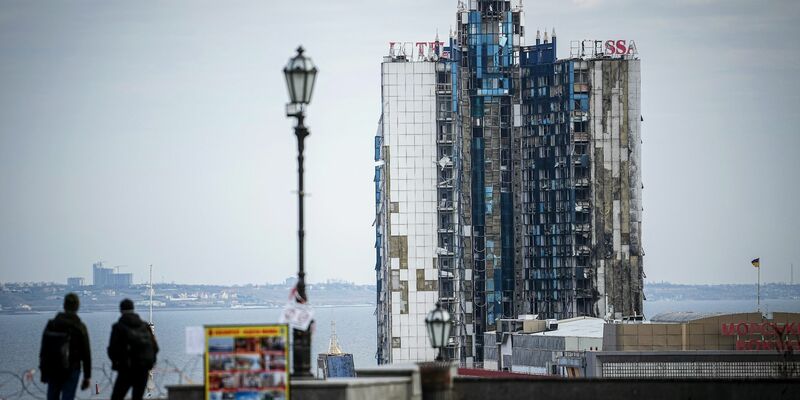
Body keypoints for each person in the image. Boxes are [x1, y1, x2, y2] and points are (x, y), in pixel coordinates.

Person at [39, 293, 92, 400]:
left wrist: (43, 371)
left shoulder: (52, 325)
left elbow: (44, 350)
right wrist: (87, 376)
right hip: (72, 368)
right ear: (77, 306)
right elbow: (86, 354)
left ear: (64, 305)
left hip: (53, 368)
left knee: (52, 396)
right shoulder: (80, 327)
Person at [108, 299, 159, 400]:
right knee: (137, 397)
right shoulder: (144, 326)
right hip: (143, 368)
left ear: (121, 310)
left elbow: (112, 350)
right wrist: (150, 362)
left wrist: (116, 363)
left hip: (126, 368)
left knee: (117, 396)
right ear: (133, 309)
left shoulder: (118, 327)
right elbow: (155, 347)